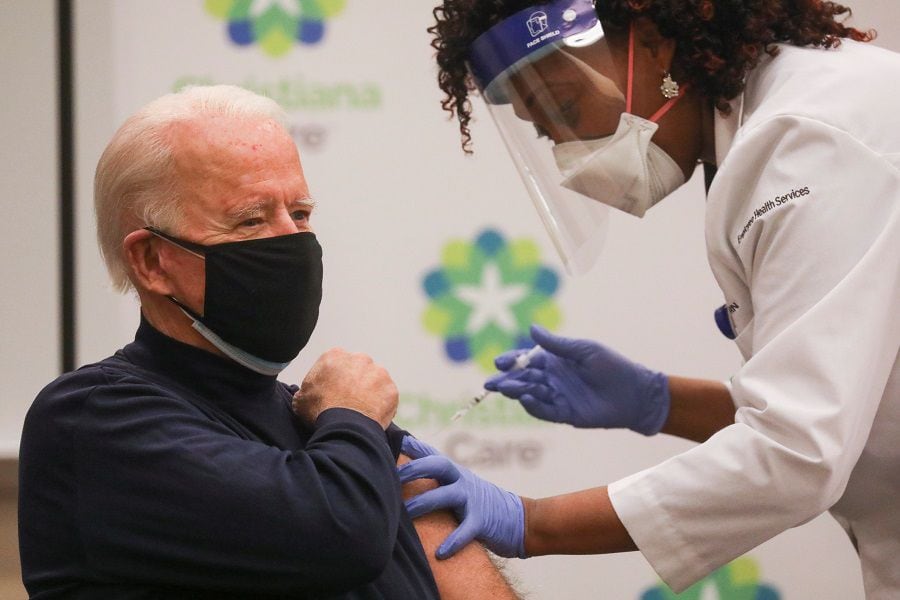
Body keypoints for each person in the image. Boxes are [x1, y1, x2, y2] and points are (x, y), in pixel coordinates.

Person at [399, 0, 900, 597]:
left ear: (656, 42)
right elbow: (845, 411)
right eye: (543, 130)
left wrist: (533, 521)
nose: (567, 152)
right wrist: (655, 401)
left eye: (563, 108)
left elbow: (797, 451)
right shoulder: (786, 118)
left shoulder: (806, 139)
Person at [18, 85, 519, 599]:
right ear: (151, 260)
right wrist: (357, 422)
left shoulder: (319, 420)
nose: (294, 241)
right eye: (251, 220)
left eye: (300, 214)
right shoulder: (95, 418)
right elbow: (342, 535)